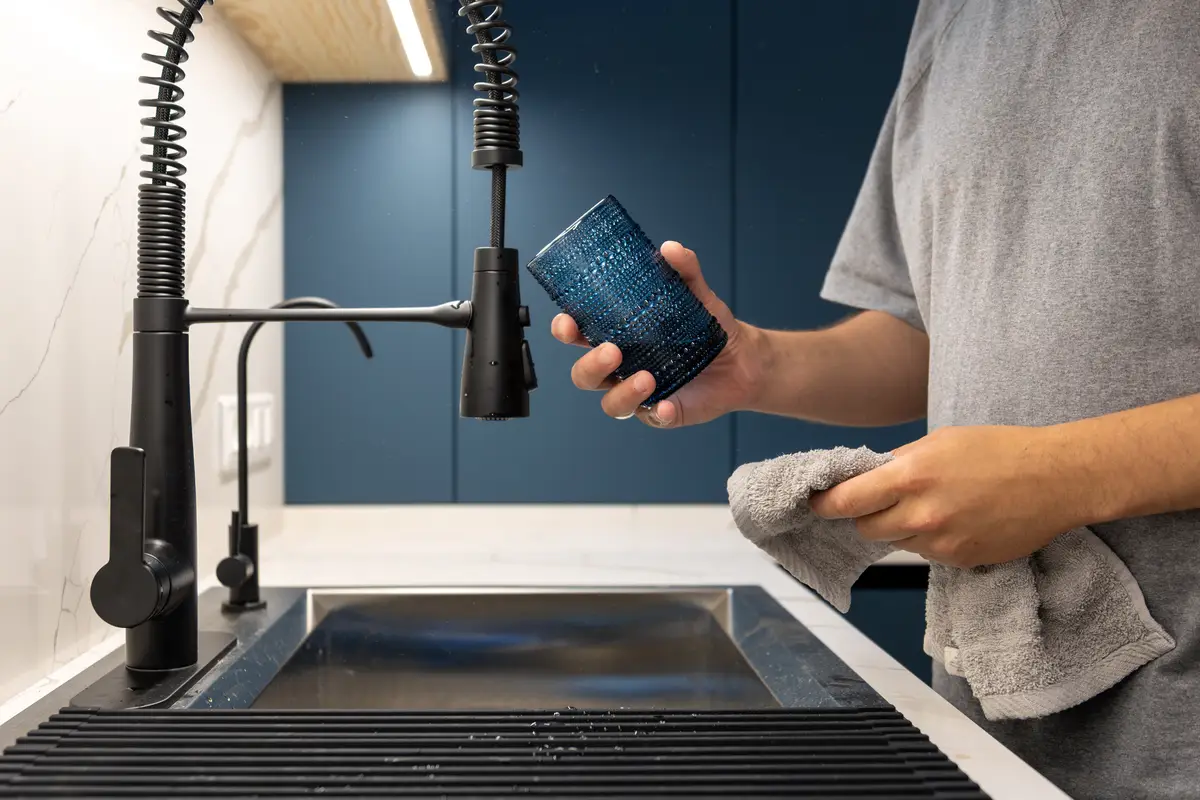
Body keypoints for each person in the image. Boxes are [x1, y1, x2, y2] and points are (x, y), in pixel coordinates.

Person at [552, 2, 1200, 798]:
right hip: (994, 721)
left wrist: (1060, 475)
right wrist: (754, 364)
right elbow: (929, 334)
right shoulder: (953, 19)